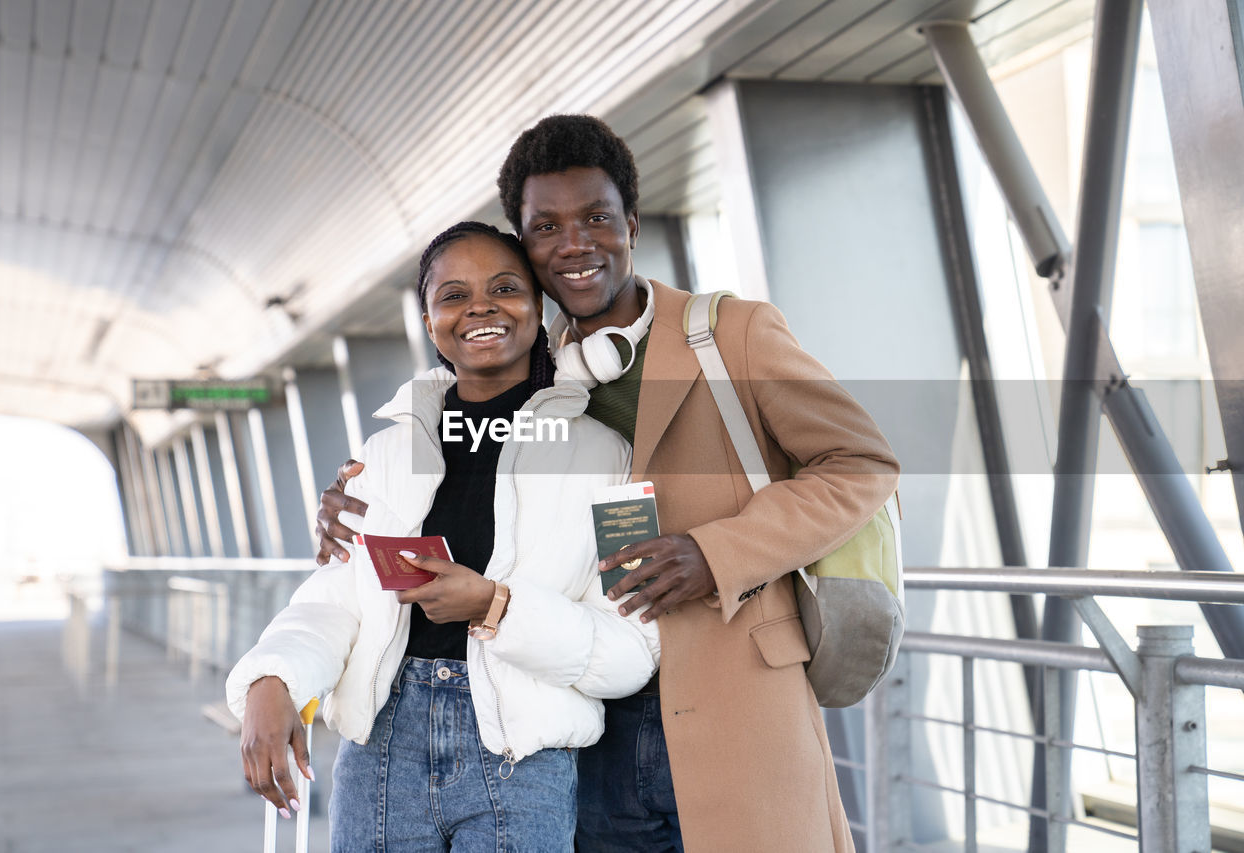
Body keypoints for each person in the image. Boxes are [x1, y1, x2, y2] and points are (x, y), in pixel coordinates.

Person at [315, 116, 900, 852]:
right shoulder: (536, 376)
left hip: (734, 696)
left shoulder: (732, 335)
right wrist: (352, 502)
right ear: (524, 246)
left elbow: (860, 463)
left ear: (632, 222)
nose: (575, 244)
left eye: (596, 217)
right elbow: (442, 458)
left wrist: (714, 551)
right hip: (588, 724)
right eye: (546, 226)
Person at [228, 221, 660, 852]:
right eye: (453, 295)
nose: (480, 307)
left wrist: (496, 609)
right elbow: (335, 598)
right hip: (378, 751)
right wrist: (273, 681)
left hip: (522, 762)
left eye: (504, 287)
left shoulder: (614, 459)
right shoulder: (382, 455)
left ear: (537, 306)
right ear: (430, 323)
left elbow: (634, 650)